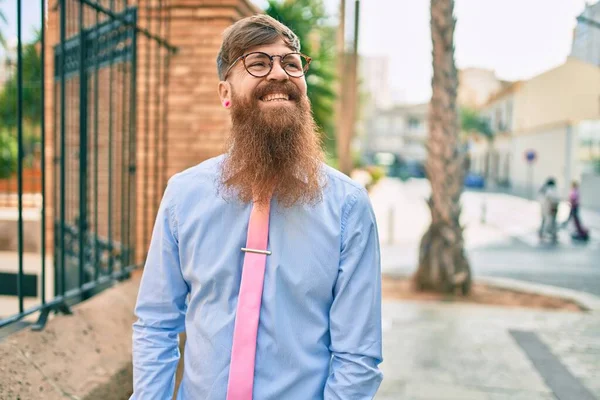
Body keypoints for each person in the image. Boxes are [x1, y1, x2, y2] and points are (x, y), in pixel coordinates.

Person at [130, 15, 383, 400]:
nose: (279, 73)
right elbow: (156, 324)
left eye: (291, 62)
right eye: (258, 63)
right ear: (225, 93)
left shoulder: (347, 206)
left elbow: (357, 357)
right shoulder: (183, 196)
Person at [538, 177, 560, 243]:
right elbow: (552, 200)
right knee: (550, 221)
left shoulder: (544, 189)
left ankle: (544, 233)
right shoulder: (550, 190)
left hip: (545, 209)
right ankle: (549, 234)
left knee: (545, 221)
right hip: (550, 209)